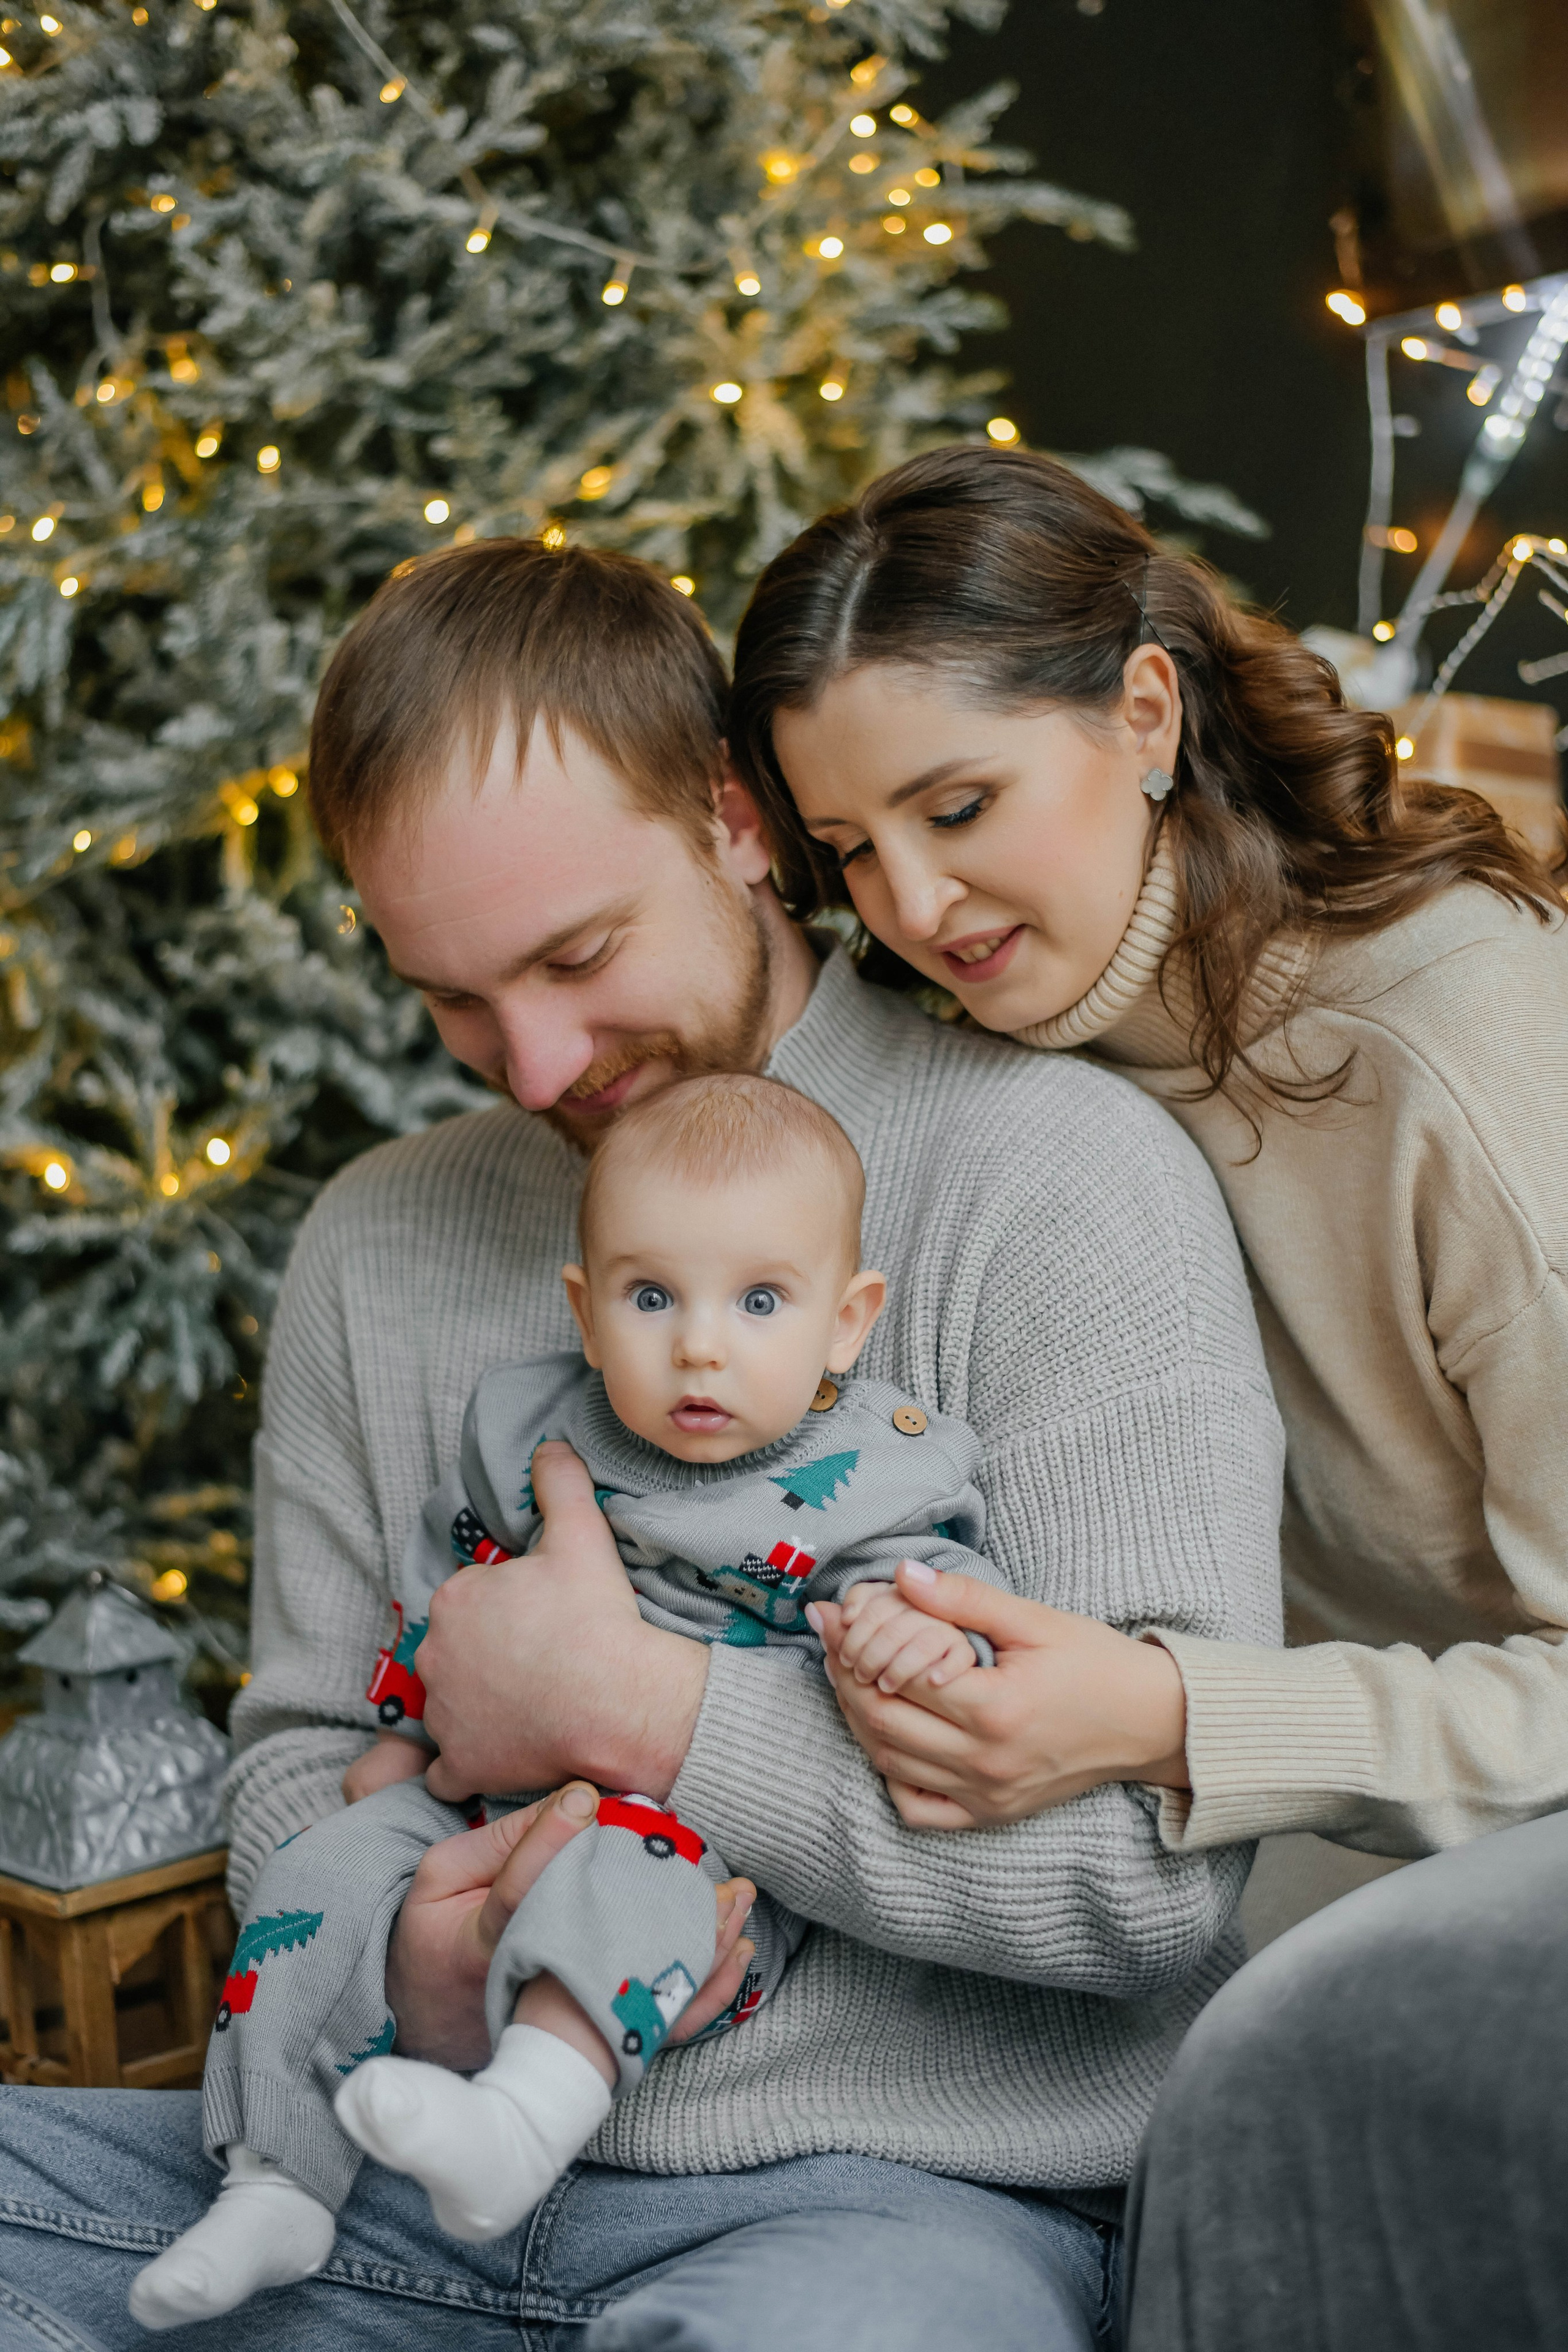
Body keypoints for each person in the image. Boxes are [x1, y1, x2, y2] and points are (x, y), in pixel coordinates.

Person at [0, 536, 1283, 2352]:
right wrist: (425, 1972)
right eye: (448, 996)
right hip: (362, 2178)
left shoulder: (1055, 1182)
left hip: (873, 2203)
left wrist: (644, 1716)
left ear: (738, 819)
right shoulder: (378, 1238)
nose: (529, 1069)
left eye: (577, 957)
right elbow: (301, 1762)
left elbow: (1137, 1882)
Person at [728, 441, 1568, 2350]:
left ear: (1146, 710)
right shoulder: (994, 1081)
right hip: (1313, 1840)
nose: (919, 902)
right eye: (851, 849)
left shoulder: (1463, 1057)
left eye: (962, 803)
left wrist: (1177, 1715)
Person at [130, 1071, 1008, 2329]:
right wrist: (404, 1737)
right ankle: (274, 2178)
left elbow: (947, 1606)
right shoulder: (533, 1429)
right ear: (587, 1313)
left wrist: (915, 1643)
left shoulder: (871, 1473)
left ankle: (523, 2116)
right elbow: (450, 1594)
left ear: (846, 1321)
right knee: (320, 1867)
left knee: (627, 1865)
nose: (700, 1345)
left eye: (760, 1301)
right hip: (476, 1798)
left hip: (692, 1830)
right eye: (652, 1298)